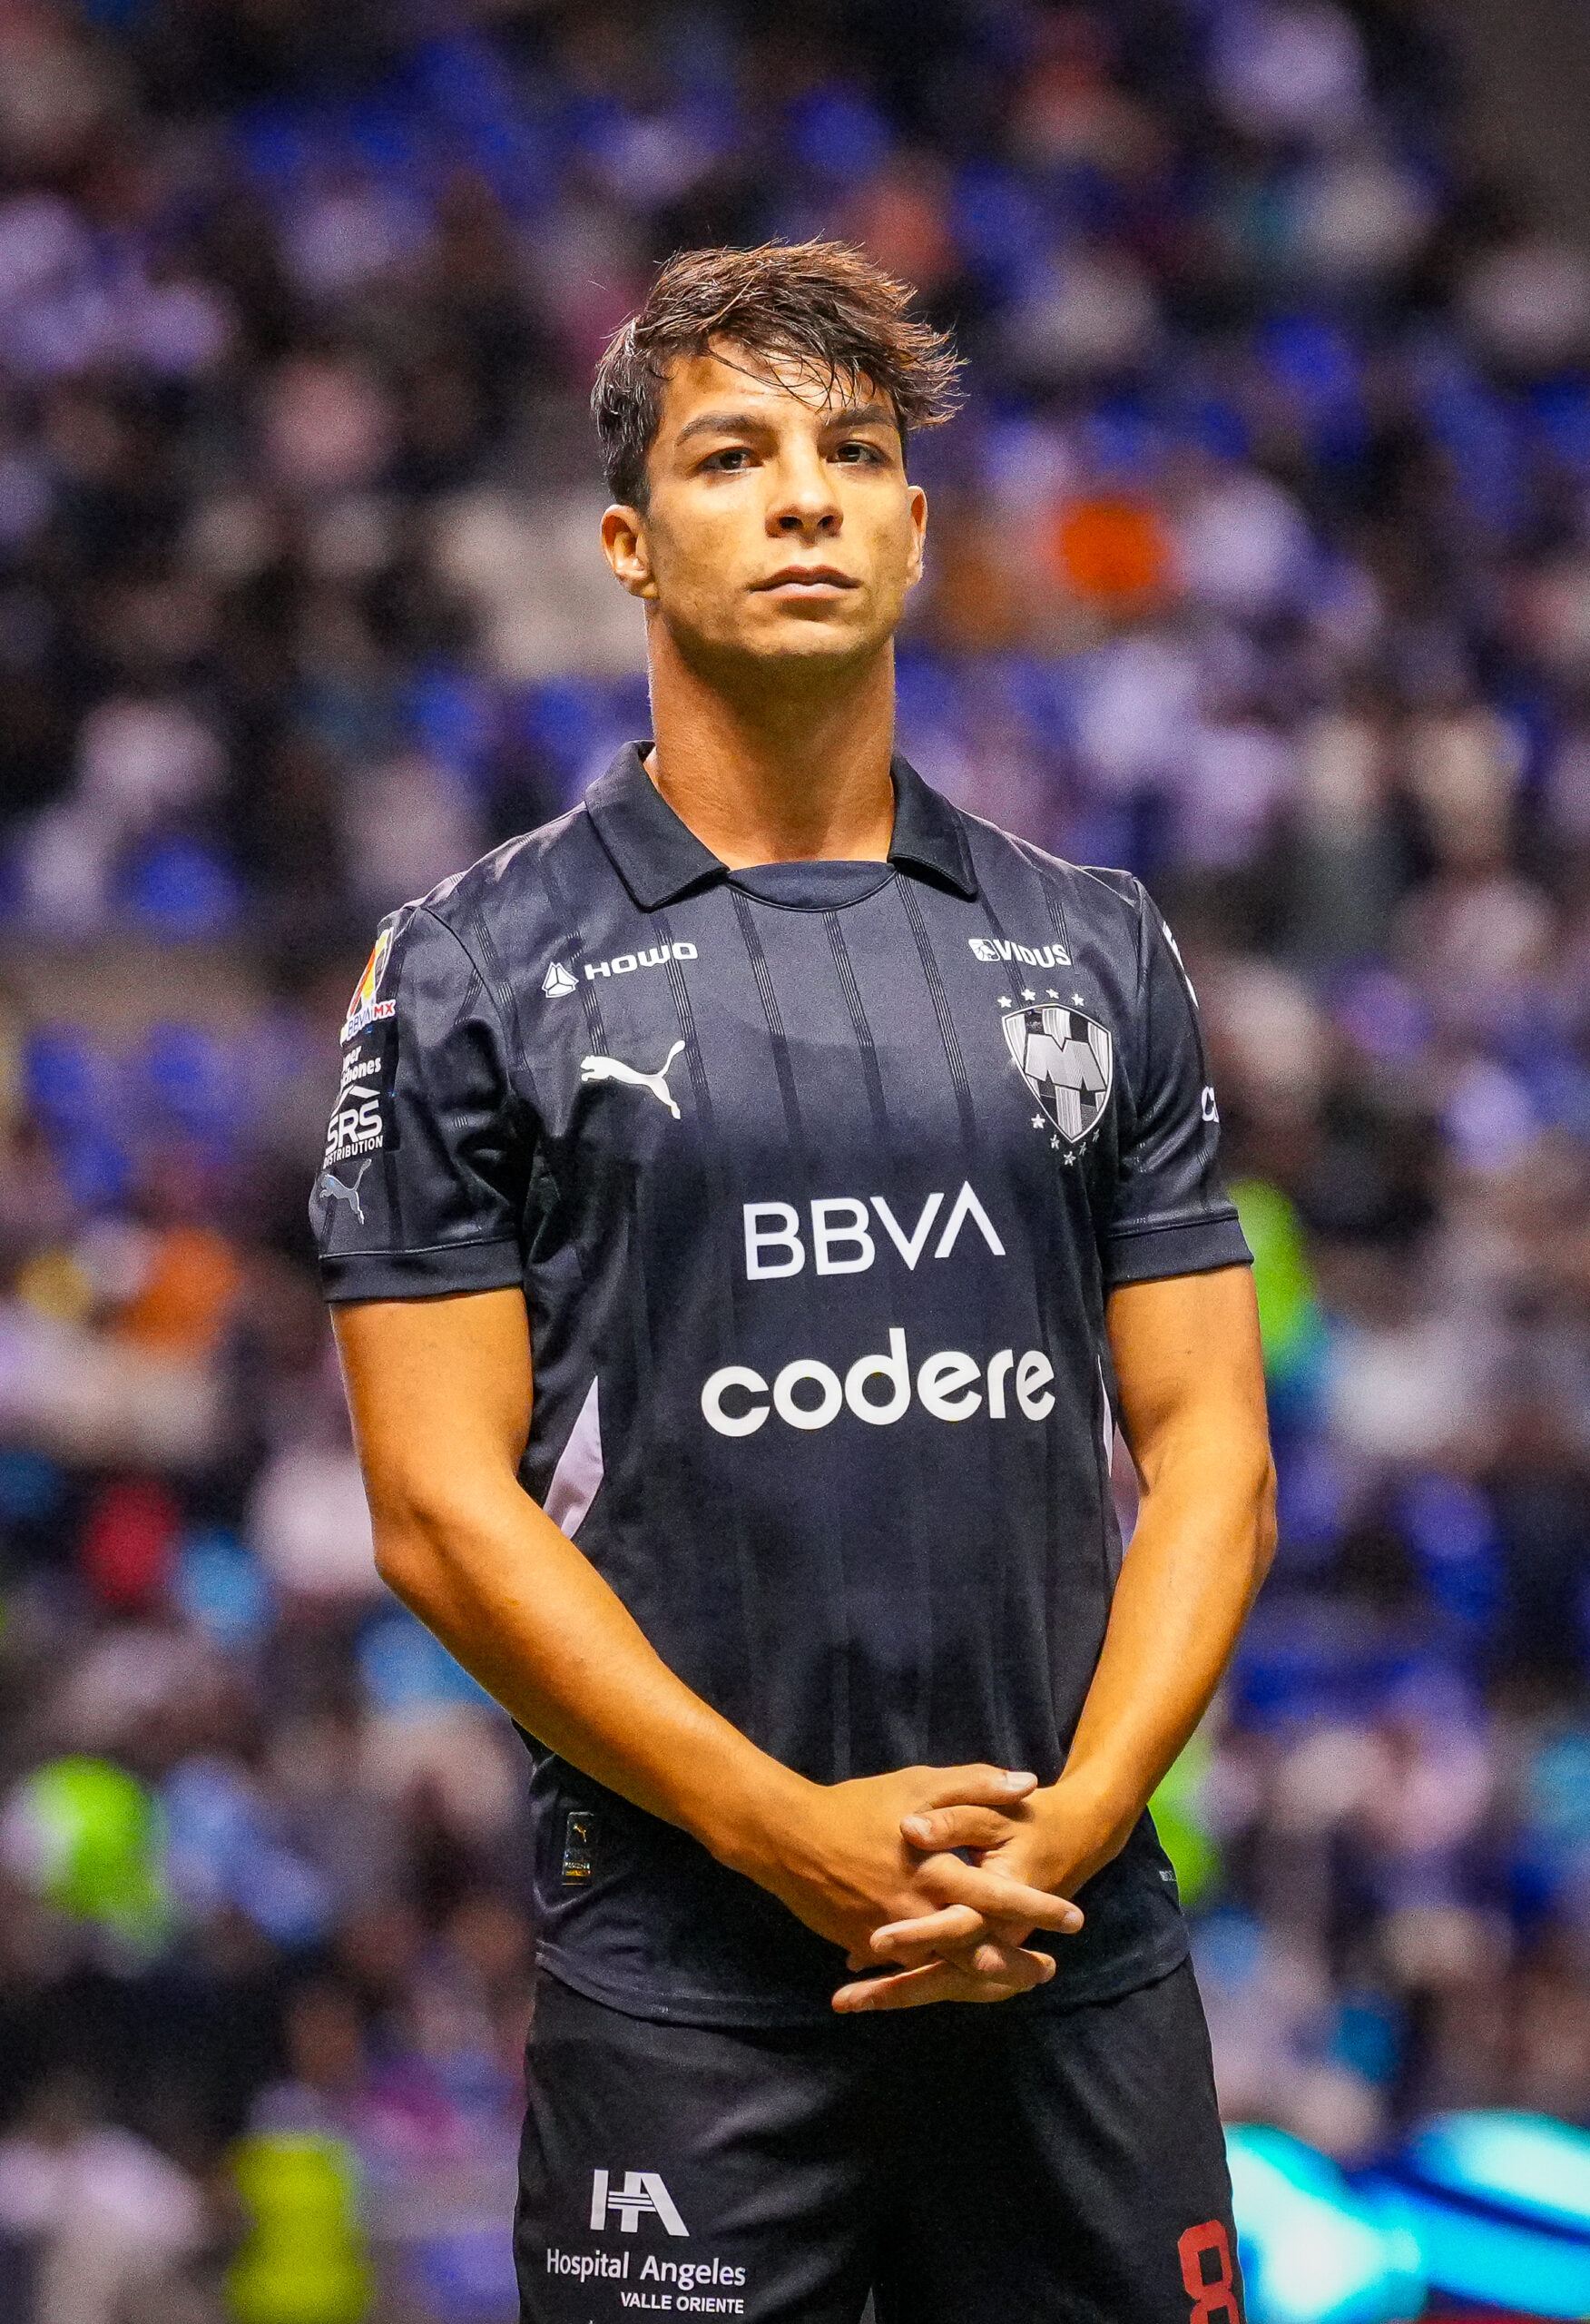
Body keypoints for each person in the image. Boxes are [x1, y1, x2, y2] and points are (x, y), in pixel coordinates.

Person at [316, 240, 1275, 2324]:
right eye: (734, 455)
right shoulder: (467, 969)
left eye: (852, 454)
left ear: (917, 528)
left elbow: (1214, 1446)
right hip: (690, 1983)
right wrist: (782, 1828)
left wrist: (1074, 1828)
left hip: (1069, 1952)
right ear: (629, 544)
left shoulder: (1096, 943)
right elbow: (435, 1507)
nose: (806, 498)